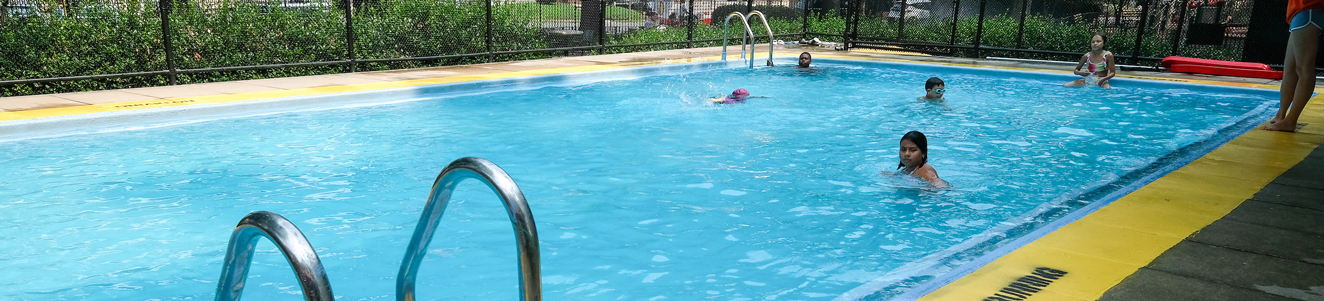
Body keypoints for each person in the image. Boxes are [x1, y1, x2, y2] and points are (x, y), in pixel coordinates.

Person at [1264, 0, 1323, 132]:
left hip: (1309, 11)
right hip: (1300, 12)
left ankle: (1291, 120)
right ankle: (1281, 115)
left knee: (1304, 68)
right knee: (1290, 70)